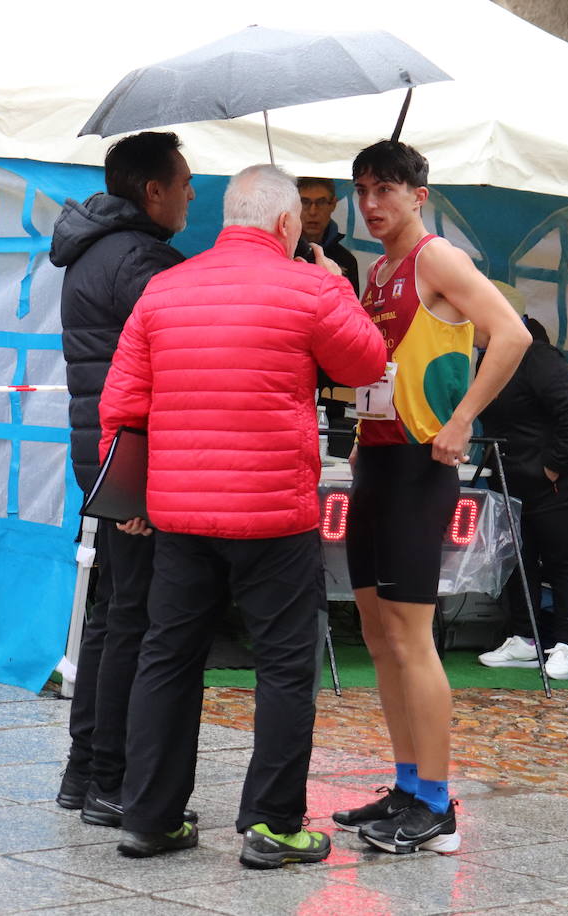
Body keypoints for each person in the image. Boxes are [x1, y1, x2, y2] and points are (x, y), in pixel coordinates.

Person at [98, 164, 385, 867]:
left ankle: (150, 819)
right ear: (288, 225)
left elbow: (122, 402)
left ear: (228, 218)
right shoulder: (310, 286)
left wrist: (128, 503)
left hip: (179, 517)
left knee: (168, 658)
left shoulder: (165, 289)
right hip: (274, 516)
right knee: (286, 667)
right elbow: (366, 360)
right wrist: (335, 286)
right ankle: (273, 825)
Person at [333, 140, 528, 855]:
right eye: (362, 190)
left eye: (385, 189)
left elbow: (510, 334)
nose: (372, 203)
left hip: (422, 464)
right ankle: (409, 787)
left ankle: (439, 807)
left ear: (419, 193)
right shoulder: (379, 271)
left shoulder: (436, 260)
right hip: (376, 462)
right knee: (379, 636)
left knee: (412, 639)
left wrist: (463, 416)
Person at [47, 131, 192, 823]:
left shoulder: (93, 247)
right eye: (184, 182)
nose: (193, 194)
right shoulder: (140, 258)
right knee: (131, 619)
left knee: (113, 614)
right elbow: (170, 362)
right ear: (152, 190)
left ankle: (86, 773)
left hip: (107, 456)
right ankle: (109, 778)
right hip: (135, 458)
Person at [476, 315, 568, 680]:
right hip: (515, 475)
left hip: (561, 477)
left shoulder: (538, 356)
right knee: (520, 557)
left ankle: (567, 645)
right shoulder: (490, 359)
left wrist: (553, 465)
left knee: (561, 558)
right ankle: (524, 639)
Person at [297, 177, 359, 294]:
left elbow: (351, 308)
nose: (313, 211)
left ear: (333, 204)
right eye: (305, 202)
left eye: (321, 202)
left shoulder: (346, 260)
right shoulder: (282, 253)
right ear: (294, 204)